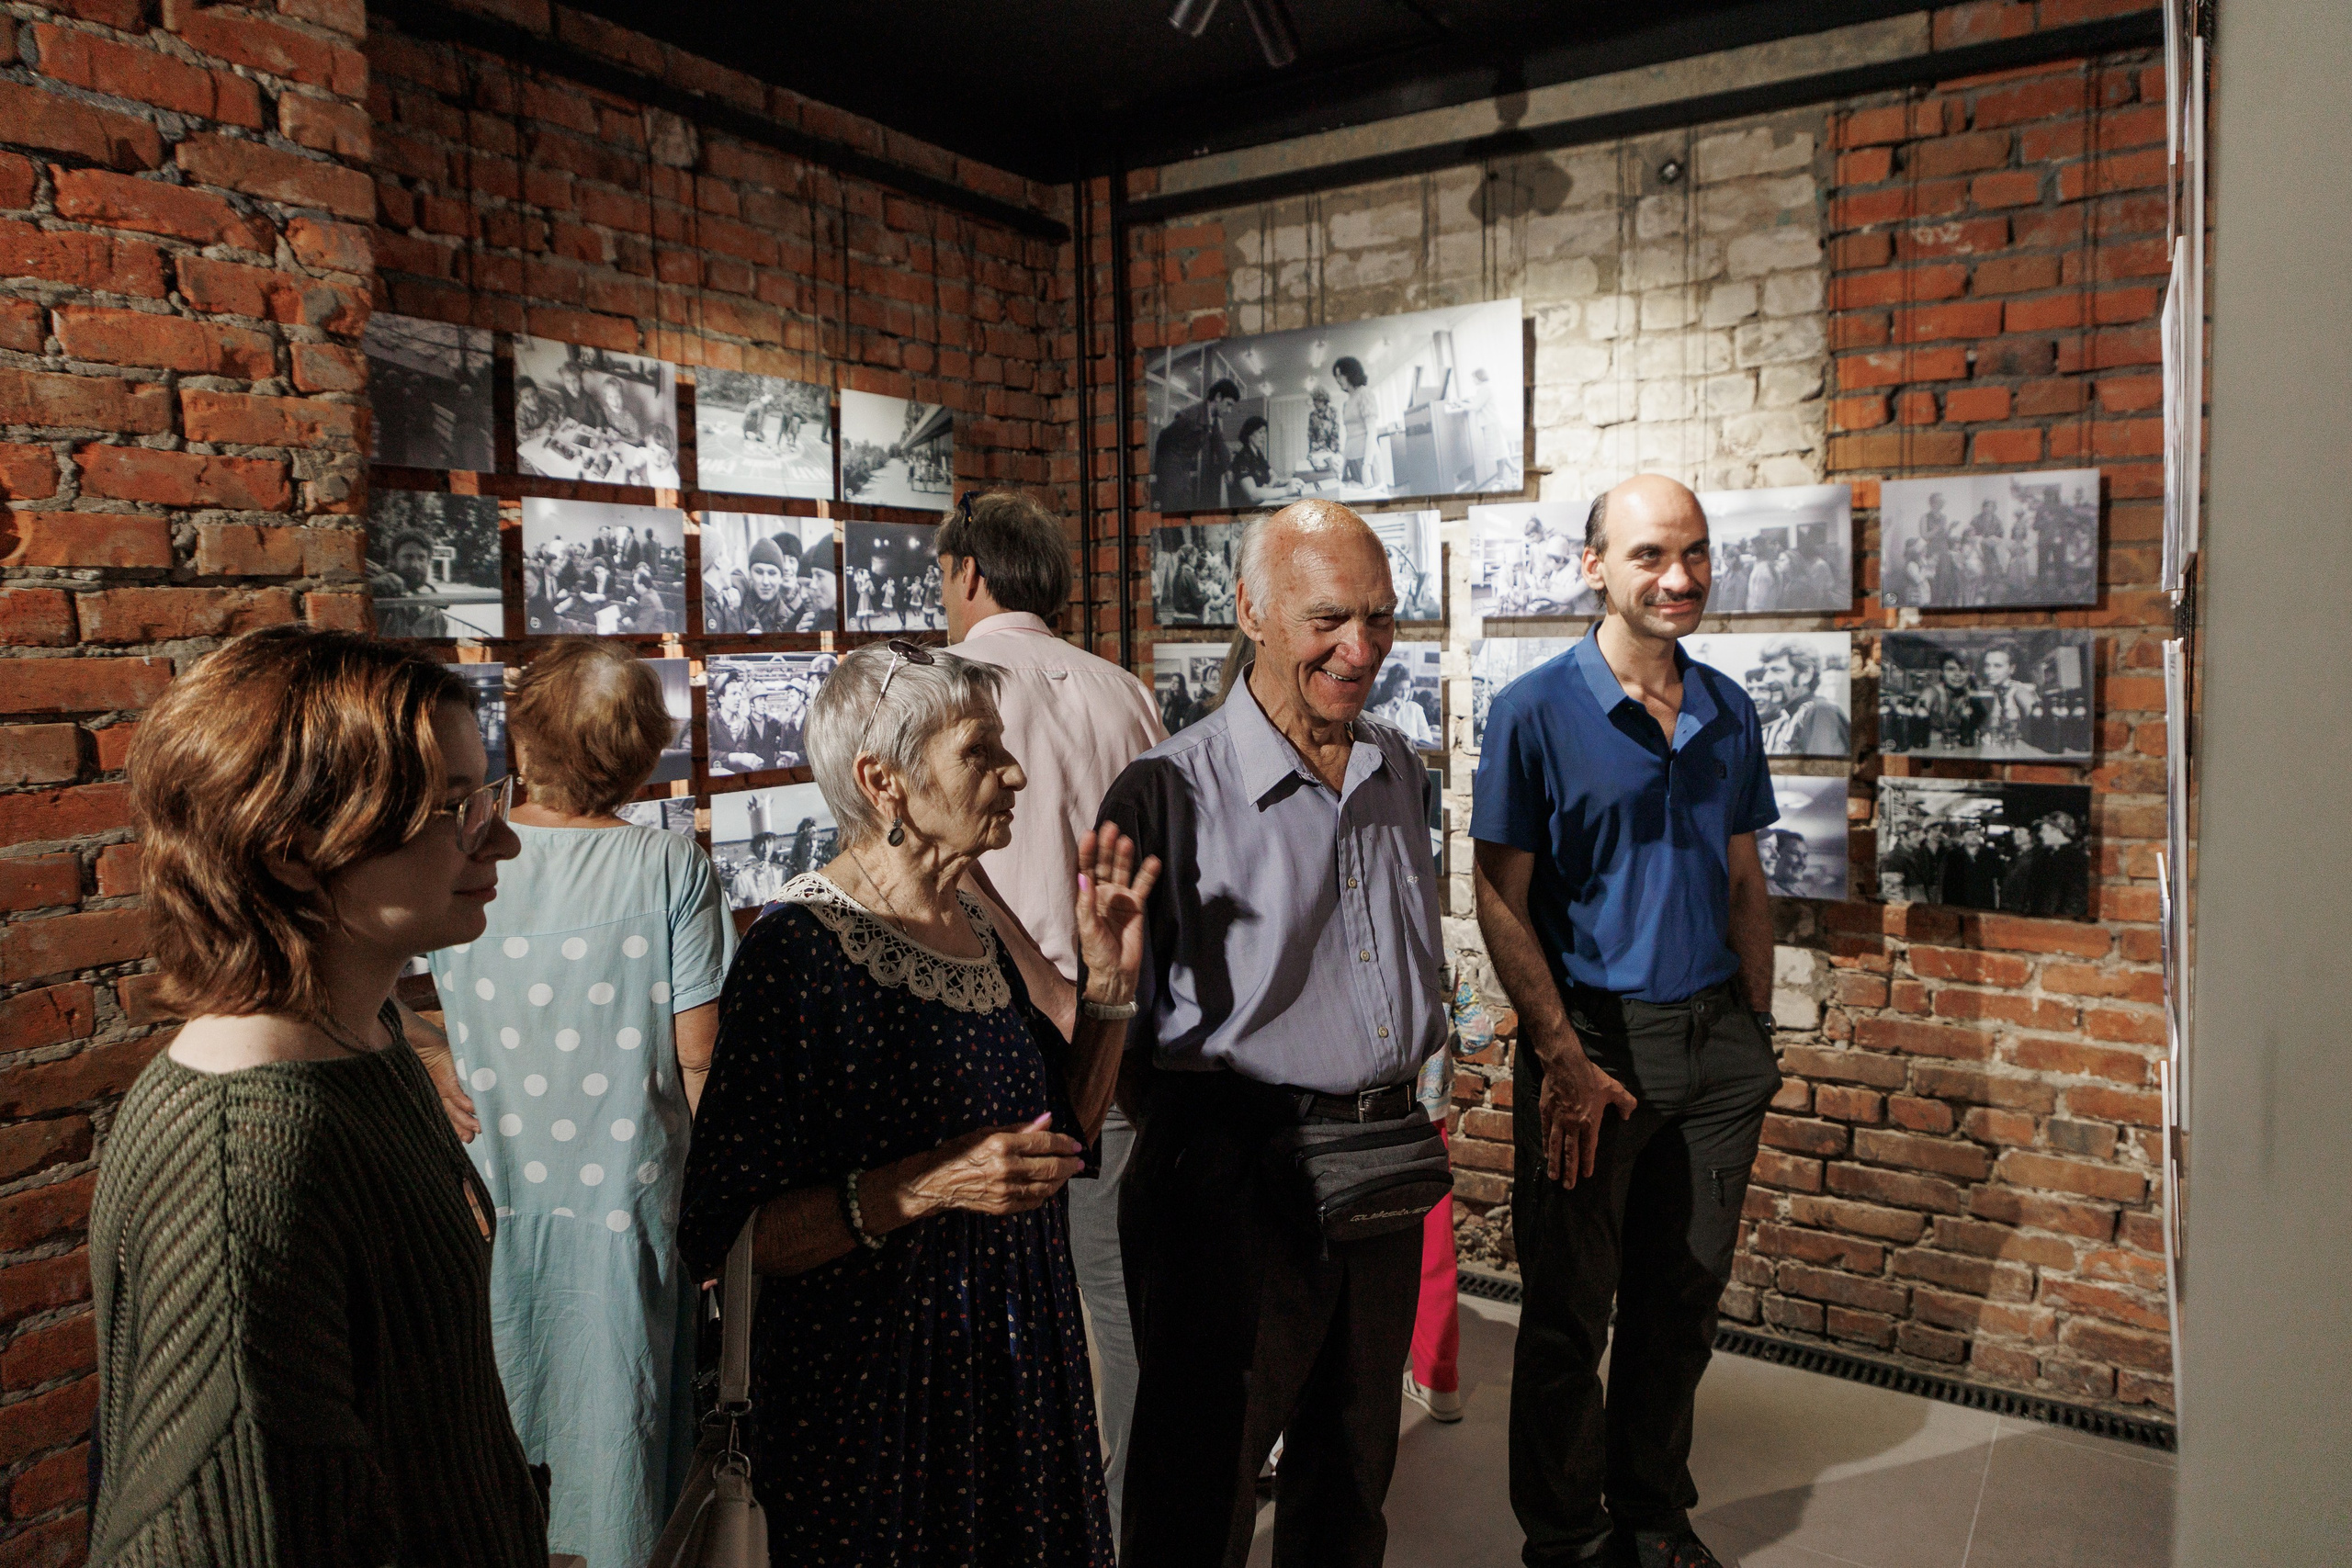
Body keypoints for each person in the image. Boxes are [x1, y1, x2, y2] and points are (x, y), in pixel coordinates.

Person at [676, 641, 1159, 1565]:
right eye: (981, 751)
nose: (1013, 772)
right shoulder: (798, 955)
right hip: (878, 1402)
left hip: (1014, 1372)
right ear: (883, 779)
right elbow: (725, 1232)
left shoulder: (973, 922)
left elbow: (1064, 1140)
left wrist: (1104, 991)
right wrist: (924, 1186)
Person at [93, 626, 546, 1564]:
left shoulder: (363, 1040)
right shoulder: (240, 1160)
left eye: (488, 796)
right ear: (295, 847)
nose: (499, 837)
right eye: (453, 810)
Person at [1102, 499, 1448, 1568]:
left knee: (1350, 1476)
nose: (1361, 650)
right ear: (1253, 610)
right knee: (1197, 1485)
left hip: (1381, 1163)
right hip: (1235, 1179)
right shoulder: (1166, 793)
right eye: (1329, 620)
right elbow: (1124, 1040)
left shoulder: (1399, 772)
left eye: (1382, 621)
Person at [1471, 475, 1782, 1568]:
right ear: (1594, 566)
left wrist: (1757, 1029)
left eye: (1694, 553)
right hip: (1592, 1045)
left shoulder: (1727, 707)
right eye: (1651, 554)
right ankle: (1563, 1534)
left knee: (1682, 1299)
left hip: (1715, 1047)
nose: (1680, 577)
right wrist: (1557, 1054)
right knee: (1568, 1311)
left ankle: (1651, 1508)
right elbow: (1497, 897)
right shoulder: (1534, 711)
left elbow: (1744, 877)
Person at [426, 639, 735, 1568]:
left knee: (501, 1411)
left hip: (494, 1197)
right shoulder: (668, 868)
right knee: (624, 1427)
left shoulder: (466, 853)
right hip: (627, 1205)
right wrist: (724, 1207)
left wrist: (430, 1048)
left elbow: (383, 990)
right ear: (644, 753)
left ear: (521, 738)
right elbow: (701, 1059)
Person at [938, 489, 1169, 1536]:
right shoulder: (1126, 690)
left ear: (970, 574)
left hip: (1000, 1023)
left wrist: (1045, 981)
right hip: (1124, 1015)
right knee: (1117, 1294)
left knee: (995, 1301)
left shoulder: (953, 688)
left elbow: (944, 873)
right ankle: (1118, 1522)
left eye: (943, 577)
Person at [1152, 377, 1240, 512]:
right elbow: (1164, 438)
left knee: (1186, 509)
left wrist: (1227, 468)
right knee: (1170, 514)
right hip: (1171, 468)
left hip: (1184, 468)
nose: (1229, 410)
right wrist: (1164, 472)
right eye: (1228, 404)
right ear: (1218, 397)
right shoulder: (1190, 416)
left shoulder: (1213, 421)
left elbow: (1219, 444)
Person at [1757, 638, 1849, 756]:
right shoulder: (1797, 715)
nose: (1766, 680)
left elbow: (1822, 770)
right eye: (1767, 672)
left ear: (1805, 675)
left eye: (1777, 671)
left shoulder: (1820, 711)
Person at [2003, 811, 2089, 918]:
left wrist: (2062, 920)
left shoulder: (2077, 860)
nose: (2040, 834)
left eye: (2044, 830)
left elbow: (2077, 898)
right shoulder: (2043, 856)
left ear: (2057, 831)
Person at [371, 526, 451, 638]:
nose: (415, 565)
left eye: (422, 558)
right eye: (408, 557)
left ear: (428, 562)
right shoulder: (379, 590)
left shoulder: (435, 610)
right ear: (393, 560)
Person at [1230, 414, 1300, 507]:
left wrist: (1289, 481)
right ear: (1250, 434)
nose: (1264, 436)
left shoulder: (1258, 455)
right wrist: (1286, 490)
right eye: (1260, 432)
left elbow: (1273, 475)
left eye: (1264, 433)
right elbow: (1253, 495)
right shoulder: (1241, 458)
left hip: (1263, 503)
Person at [1333, 356, 1381, 487]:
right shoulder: (1346, 403)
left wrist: (1367, 465)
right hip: (1352, 459)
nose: (1338, 379)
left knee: (1374, 498)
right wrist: (1343, 464)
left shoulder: (1365, 393)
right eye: (1336, 376)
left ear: (1351, 372)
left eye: (1340, 375)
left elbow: (1372, 432)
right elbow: (1349, 436)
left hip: (1367, 458)